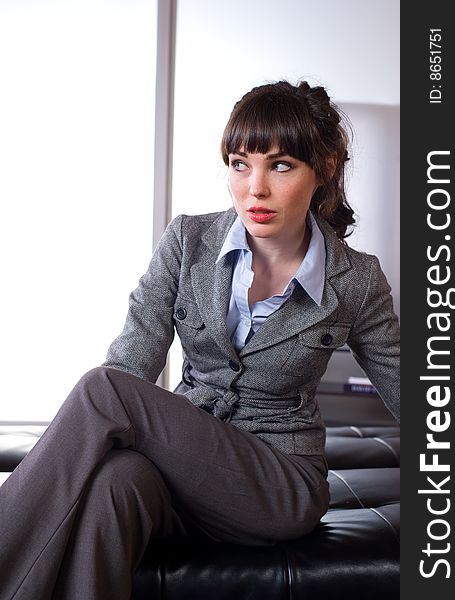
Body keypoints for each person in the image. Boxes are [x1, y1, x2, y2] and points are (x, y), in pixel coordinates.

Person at [0, 80, 400, 600]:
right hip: (183, 471)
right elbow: (133, 358)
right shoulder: (187, 241)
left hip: (276, 482)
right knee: (115, 484)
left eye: (280, 166)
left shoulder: (356, 280)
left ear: (322, 169)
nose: (254, 188)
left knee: (105, 390)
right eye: (240, 163)